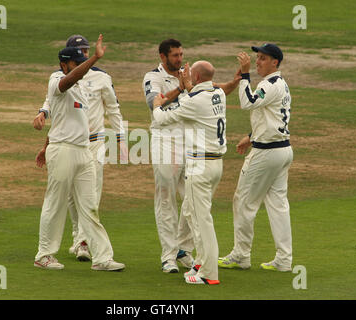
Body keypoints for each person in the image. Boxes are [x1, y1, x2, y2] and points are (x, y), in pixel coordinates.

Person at [143, 39, 240, 273]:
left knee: (191, 201)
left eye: (181, 54)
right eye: (174, 55)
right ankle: (168, 256)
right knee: (166, 198)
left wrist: (235, 82)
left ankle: (183, 249)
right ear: (162, 56)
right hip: (165, 141)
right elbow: (153, 103)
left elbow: (214, 90)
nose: (179, 59)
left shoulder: (189, 75)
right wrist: (182, 88)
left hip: (191, 144)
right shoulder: (152, 77)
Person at [33, 35, 125, 271]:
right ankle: (44, 255)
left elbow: (61, 120)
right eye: (76, 62)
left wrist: (44, 146)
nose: (81, 66)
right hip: (63, 150)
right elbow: (69, 80)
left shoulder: (82, 86)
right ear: (64, 64)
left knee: (89, 205)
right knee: (56, 203)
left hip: (84, 151)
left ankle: (102, 257)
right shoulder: (56, 80)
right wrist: (94, 57)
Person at [218, 43, 294, 272]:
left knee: (243, 201)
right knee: (278, 205)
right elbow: (273, 118)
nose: (258, 61)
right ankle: (284, 259)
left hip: (267, 153)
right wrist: (251, 136)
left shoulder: (269, 84)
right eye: (257, 57)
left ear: (275, 63)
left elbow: (247, 102)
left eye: (263, 58)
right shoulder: (280, 84)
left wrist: (244, 74)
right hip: (281, 150)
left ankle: (241, 255)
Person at [152, 60, 226, 285]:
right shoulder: (218, 94)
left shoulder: (195, 101)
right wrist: (187, 88)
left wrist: (157, 105)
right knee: (192, 211)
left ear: (197, 77)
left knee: (201, 220)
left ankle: (209, 274)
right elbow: (192, 101)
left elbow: (163, 119)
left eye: (190, 73)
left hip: (200, 167)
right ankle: (200, 262)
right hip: (216, 165)